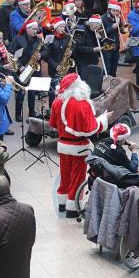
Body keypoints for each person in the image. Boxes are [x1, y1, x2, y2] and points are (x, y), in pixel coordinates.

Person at [49, 73, 110, 218]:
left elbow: (52, 124)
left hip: (63, 145)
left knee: (65, 176)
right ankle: (73, 208)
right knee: (77, 177)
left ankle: (62, 203)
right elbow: (90, 128)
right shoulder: (81, 104)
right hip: (79, 147)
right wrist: (103, 119)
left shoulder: (57, 102)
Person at [9, 19, 42, 120]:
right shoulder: (18, 39)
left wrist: (41, 55)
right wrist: (20, 66)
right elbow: (11, 54)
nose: (36, 31)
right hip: (22, 69)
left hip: (35, 68)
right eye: (33, 29)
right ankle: (18, 114)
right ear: (27, 29)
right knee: (20, 93)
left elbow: (46, 51)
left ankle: (31, 112)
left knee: (32, 92)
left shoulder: (39, 40)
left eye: (37, 29)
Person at [41, 17, 72, 104]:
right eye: (61, 27)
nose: (63, 28)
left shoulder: (68, 37)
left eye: (63, 26)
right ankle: (52, 107)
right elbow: (47, 55)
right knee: (53, 90)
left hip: (65, 67)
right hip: (54, 68)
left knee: (66, 88)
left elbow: (73, 46)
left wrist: (71, 51)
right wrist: (55, 66)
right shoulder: (50, 38)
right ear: (55, 28)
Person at [101, 1, 126, 77]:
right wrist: (112, 27)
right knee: (107, 69)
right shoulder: (103, 18)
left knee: (114, 69)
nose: (115, 13)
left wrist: (124, 29)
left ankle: (113, 86)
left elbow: (121, 30)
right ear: (109, 10)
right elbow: (101, 33)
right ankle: (104, 85)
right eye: (113, 11)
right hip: (107, 46)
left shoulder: (118, 18)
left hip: (116, 46)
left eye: (117, 11)